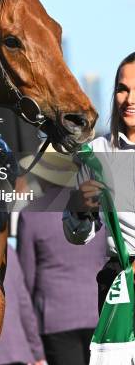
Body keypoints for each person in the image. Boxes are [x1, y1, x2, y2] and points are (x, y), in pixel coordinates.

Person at [17, 148, 106, 365]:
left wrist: (29, 339)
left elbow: (26, 280)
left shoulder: (30, 215)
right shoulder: (95, 207)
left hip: (54, 320)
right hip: (100, 314)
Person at [63, 51, 135, 312]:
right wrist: (80, 208)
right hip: (118, 285)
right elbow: (77, 235)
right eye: (122, 89)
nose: (129, 99)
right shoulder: (95, 151)